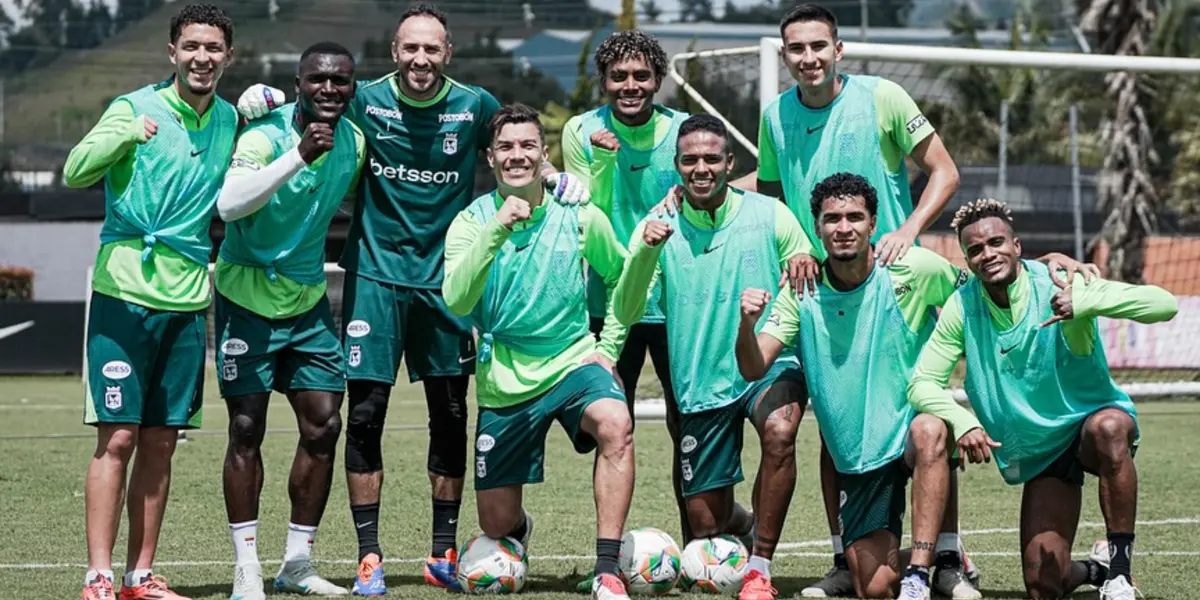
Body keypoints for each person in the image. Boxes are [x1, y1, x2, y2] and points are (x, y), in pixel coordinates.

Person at [234, 5, 586, 594]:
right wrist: (260, 96)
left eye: (432, 49)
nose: (420, 59)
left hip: (447, 282)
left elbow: (515, 144)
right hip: (375, 276)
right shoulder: (364, 100)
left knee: (449, 417)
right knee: (365, 414)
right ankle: (369, 556)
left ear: (447, 54)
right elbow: (310, 101)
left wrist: (550, 176)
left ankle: (442, 553)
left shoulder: (473, 106)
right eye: (409, 49)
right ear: (394, 52)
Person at [734, 173, 1092, 599]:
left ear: (873, 223)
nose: (843, 227)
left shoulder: (914, 268)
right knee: (874, 587)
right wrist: (746, 324)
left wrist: (1045, 261)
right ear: (817, 227)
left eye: (854, 217)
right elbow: (755, 367)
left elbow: (983, 283)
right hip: (860, 455)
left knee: (930, 429)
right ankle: (915, 561)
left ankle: (928, 569)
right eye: (832, 219)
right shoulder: (801, 289)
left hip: (909, 434)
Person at [743, 5, 967, 595]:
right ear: (785, 56)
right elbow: (772, 199)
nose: (809, 58)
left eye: (820, 46)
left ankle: (944, 555)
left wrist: (909, 230)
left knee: (924, 420)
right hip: (822, 289)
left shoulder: (884, 97)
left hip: (895, 287)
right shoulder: (775, 118)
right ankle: (846, 557)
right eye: (797, 49)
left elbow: (944, 172)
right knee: (836, 420)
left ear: (838, 49)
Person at [908, 199, 1178, 600]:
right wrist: (962, 420)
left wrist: (1084, 301)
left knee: (1110, 427)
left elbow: (1165, 304)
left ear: (1017, 246)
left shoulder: (1063, 280)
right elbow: (921, 382)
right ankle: (1095, 569)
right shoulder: (962, 305)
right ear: (967, 259)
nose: (988, 254)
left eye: (996, 242)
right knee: (1041, 585)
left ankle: (1120, 574)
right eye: (976, 250)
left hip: (1087, 429)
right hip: (1045, 455)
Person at [63, 4, 238, 600]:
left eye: (213, 48)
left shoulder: (229, 120)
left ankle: (141, 575)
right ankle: (98, 575)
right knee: (117, 437)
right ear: (172, 52)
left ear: (227, 57)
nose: (202, 57)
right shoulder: (134, 107)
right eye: (191, 46)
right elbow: (74, 171)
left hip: (189, 299)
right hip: (122, 294)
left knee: (163, 440)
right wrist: (121, 135)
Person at [614, 114, 819, 600]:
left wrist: (802, 260)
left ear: (730, 163)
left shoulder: (770, 214)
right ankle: (743, 526)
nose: (701, 168)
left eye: (711, 158)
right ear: (677, 167)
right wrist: (644, 252)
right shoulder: (656, 226)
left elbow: (804, 269)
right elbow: (623, 308)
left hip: (769, 363)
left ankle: (760, 569)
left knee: (780, 431)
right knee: (707, 525)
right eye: (690, 160)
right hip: (699, 381)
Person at [442, 104, 636, 600]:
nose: (517, 156)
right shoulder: (471, 221)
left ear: (542, 153)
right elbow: (457, 299)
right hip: (505, 375)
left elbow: (620, 273)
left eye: (527, 145)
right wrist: (498, 228)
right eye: (506, 147)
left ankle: (608, 568)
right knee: (496, 521)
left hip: (573, 360)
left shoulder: (578, 213)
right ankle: (518, 531)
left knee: (616, 422)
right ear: (490, 157)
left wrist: (608, 346)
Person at [213, 41, 367, 599]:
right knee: (247, 429)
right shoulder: (264, 133)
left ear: (352, 88)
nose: (329, 89)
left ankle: (297, 563)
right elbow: (229, 205)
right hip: (245, 297)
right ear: (298, 82)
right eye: (318, 80)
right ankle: (247, 567)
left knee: (324, 423)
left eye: (341, 82)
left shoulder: (354, 140)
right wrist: (298, 155)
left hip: (306, 302)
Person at [560, 29, 693, 546]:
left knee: (690, 428)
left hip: (678, 304)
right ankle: (608, 555)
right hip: (608, 303)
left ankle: (700, 543)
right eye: (619, 76)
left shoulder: (684, 131)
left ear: (658, 79)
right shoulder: (580, 129)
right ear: (604, 82)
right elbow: (583, 208)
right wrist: (602, 160)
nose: (630, 85)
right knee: (611, 427)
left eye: (641, 75)